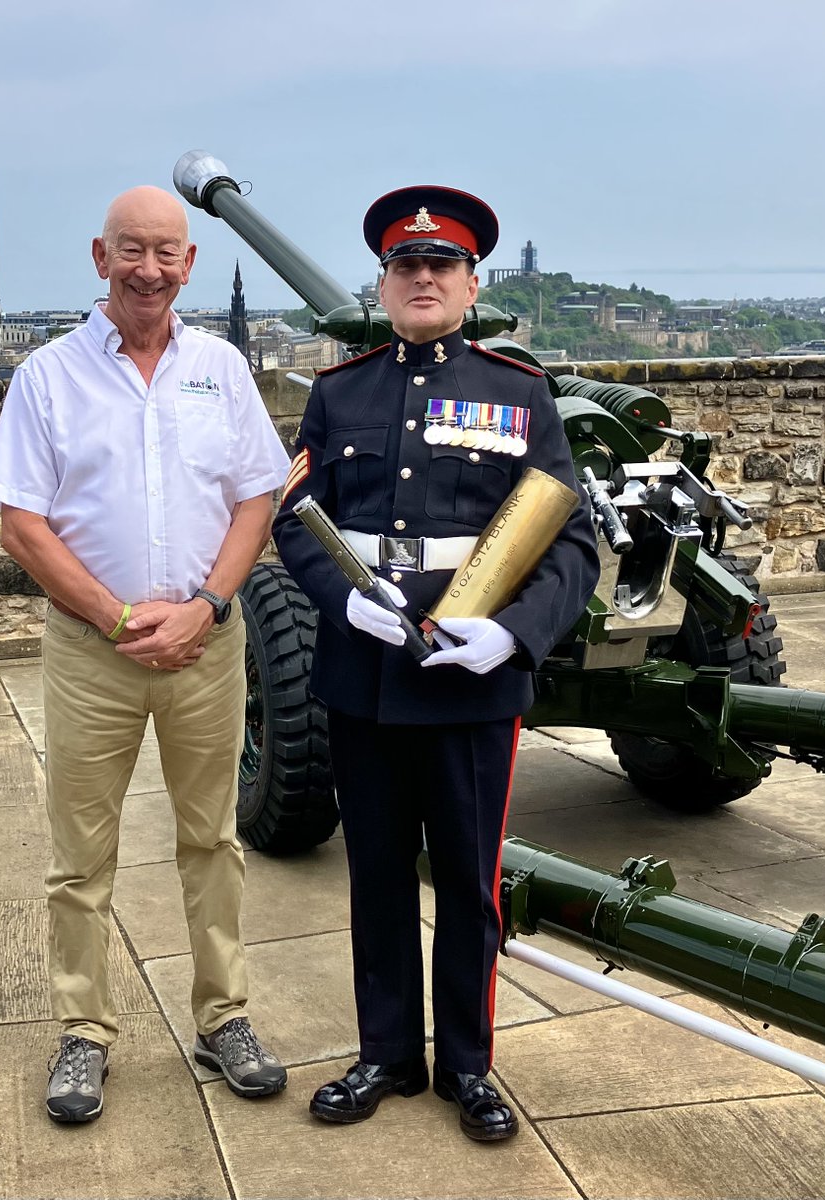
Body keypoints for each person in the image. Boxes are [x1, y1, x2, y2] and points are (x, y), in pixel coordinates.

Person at [273, 186, 600, 1141]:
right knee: (374, 875)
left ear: (470, 285)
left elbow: (570, 542)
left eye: (442, 266)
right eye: (406, 266)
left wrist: (517, 633)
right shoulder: (339, 393)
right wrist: (340, 603)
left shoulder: (519, 392)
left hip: (473, 681)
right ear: (383, 284)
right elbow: (296, 521)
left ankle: (468, 1065)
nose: (423, 277)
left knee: (467, 880)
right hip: (365, 678)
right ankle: (384, 1055)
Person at [0, 185, 292, 1123]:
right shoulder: (48, 376)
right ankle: (84, 1032)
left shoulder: (222, 370)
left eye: (166, 252)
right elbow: (22, 528)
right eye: (130, 251)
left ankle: (223, 1015)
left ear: (189, 264)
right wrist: (118, 620)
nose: (148, 269)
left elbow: (256, 501)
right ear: (99, 256)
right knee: (81, 856)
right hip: (92, 652)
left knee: (213, 841)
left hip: (206, 644)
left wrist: (206, 605)